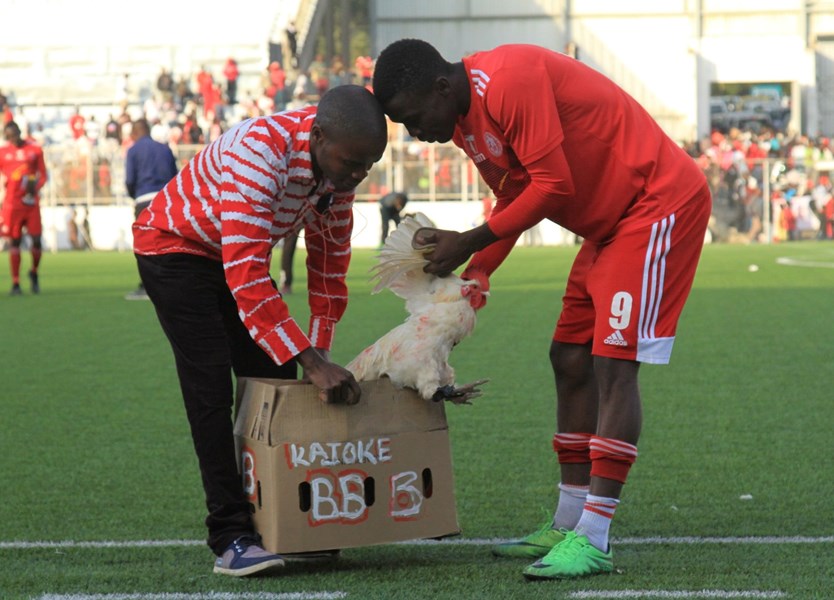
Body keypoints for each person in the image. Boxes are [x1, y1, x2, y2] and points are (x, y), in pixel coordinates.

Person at [373, 39, 711, 580]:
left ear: (440, 87)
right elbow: (516, 196)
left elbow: (553, 187)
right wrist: (479, 271)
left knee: (613, 363)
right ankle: (568, 519)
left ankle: (594, 535)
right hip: (608, 226)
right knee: (569, 357)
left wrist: (470, 240)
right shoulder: (464, 121)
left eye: (414, 119)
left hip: (654, 204)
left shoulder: (509, 78)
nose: (417, 134)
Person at [132, 85, 387, 577]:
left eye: (368, 166)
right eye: (352, 162)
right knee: (209, 385)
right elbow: (246, 271)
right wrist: (313, 364)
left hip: (231, 256)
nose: (357, 175)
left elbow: (330, 266)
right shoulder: (260, 152)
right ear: (316, 137)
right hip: (175, 249)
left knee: (273, 375)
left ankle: (280, 521)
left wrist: (320, 354)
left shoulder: (337, 166)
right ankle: (230, 535)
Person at [124, 118, 178, 300]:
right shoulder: (165, 149)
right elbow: (175, 176)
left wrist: (135, 196)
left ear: (134, 133)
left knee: (145, 246)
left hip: (144, 199)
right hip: (166, 201)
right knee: (169, 244)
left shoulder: (133, 151)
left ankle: (147, 286)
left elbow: (130, 180)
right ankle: (172, 283)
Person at [0, 121, 47, 295]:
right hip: (12, 204)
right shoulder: (3, 152)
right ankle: (16, 282)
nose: (13, 139)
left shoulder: (34, 150)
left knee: (36, 240)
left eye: (15, 134)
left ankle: (34, 272)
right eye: (9, 136)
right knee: (15, 241)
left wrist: (36, 187)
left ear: (20, 132)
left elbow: (43, 174)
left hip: (31, 203)